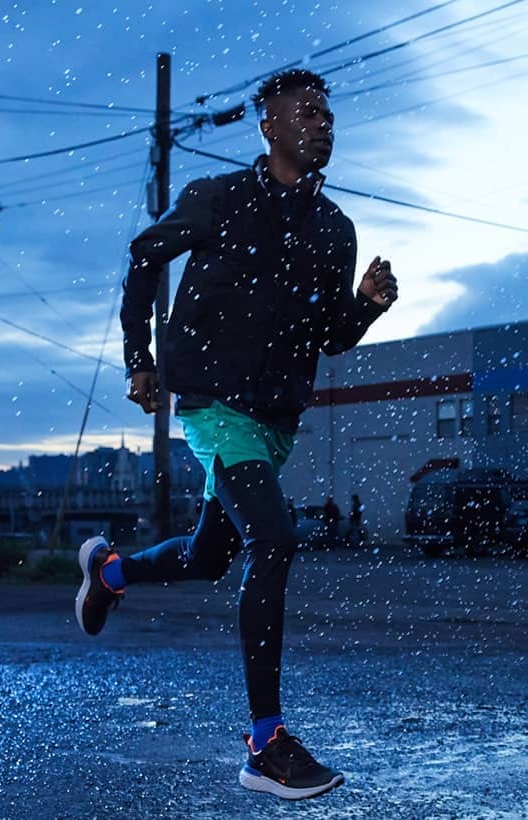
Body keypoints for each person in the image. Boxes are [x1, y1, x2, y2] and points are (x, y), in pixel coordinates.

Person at [75, 68, 398, 801]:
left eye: (327, 115)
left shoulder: (333, 230)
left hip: (275, 416)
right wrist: (139, 358)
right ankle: (265, 744)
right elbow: (144, 256)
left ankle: (109, 572)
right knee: (273, 540)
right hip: (213, 404)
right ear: (269, 127)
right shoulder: (219, 198)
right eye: (306, 113)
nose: (321, 124)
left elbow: (330, 337)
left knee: (207, 556)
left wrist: (367, 305)